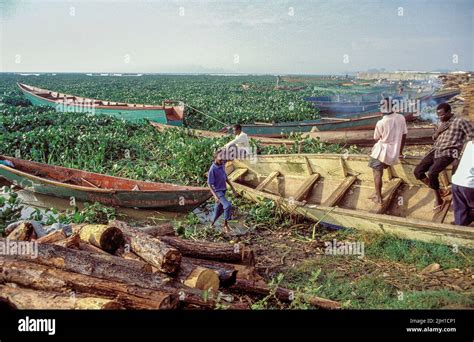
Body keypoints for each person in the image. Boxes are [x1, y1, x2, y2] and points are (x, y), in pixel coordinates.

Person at [414, 103, 473, 213]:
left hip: (449, 152)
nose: (440, 117)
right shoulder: (440, 123)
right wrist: (438, 131)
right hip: (435, 150)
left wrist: (462, 153)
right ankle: (440, 191)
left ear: (449, 112)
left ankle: (439, 200)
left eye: (442, 115)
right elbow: (434, 138)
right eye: (438, 115)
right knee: (417, 172)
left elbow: (472, 136)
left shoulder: (460, 121)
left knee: (432, 173)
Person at [368, 97, 407, 204]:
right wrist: (400, 151)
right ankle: (377, 194)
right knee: (379, 173)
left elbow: (376, 138)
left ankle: (379, 197)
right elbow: (404, 136)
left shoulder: (381, 122)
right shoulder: (401, 118)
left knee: (377, 174)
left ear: (381, 110)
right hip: (393, 154)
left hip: (381, 153)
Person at [207, 150, 238, 234]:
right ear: (215, 158)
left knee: (218, 209)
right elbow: (209, 184)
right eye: (220, 159)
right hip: (218, 192)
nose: (222, 161)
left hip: (223, 190)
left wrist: (233, 189)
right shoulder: (212, 169)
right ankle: (225, 225)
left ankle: (211, 224)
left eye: (222, 159)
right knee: (227, 206)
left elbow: (226, 177)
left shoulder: (222, 163)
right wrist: (215, 196)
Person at [451, 140, 474, 226]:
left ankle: (460, 227)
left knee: (460, 209)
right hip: (469, 185)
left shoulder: (469, 144)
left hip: (456, 181)